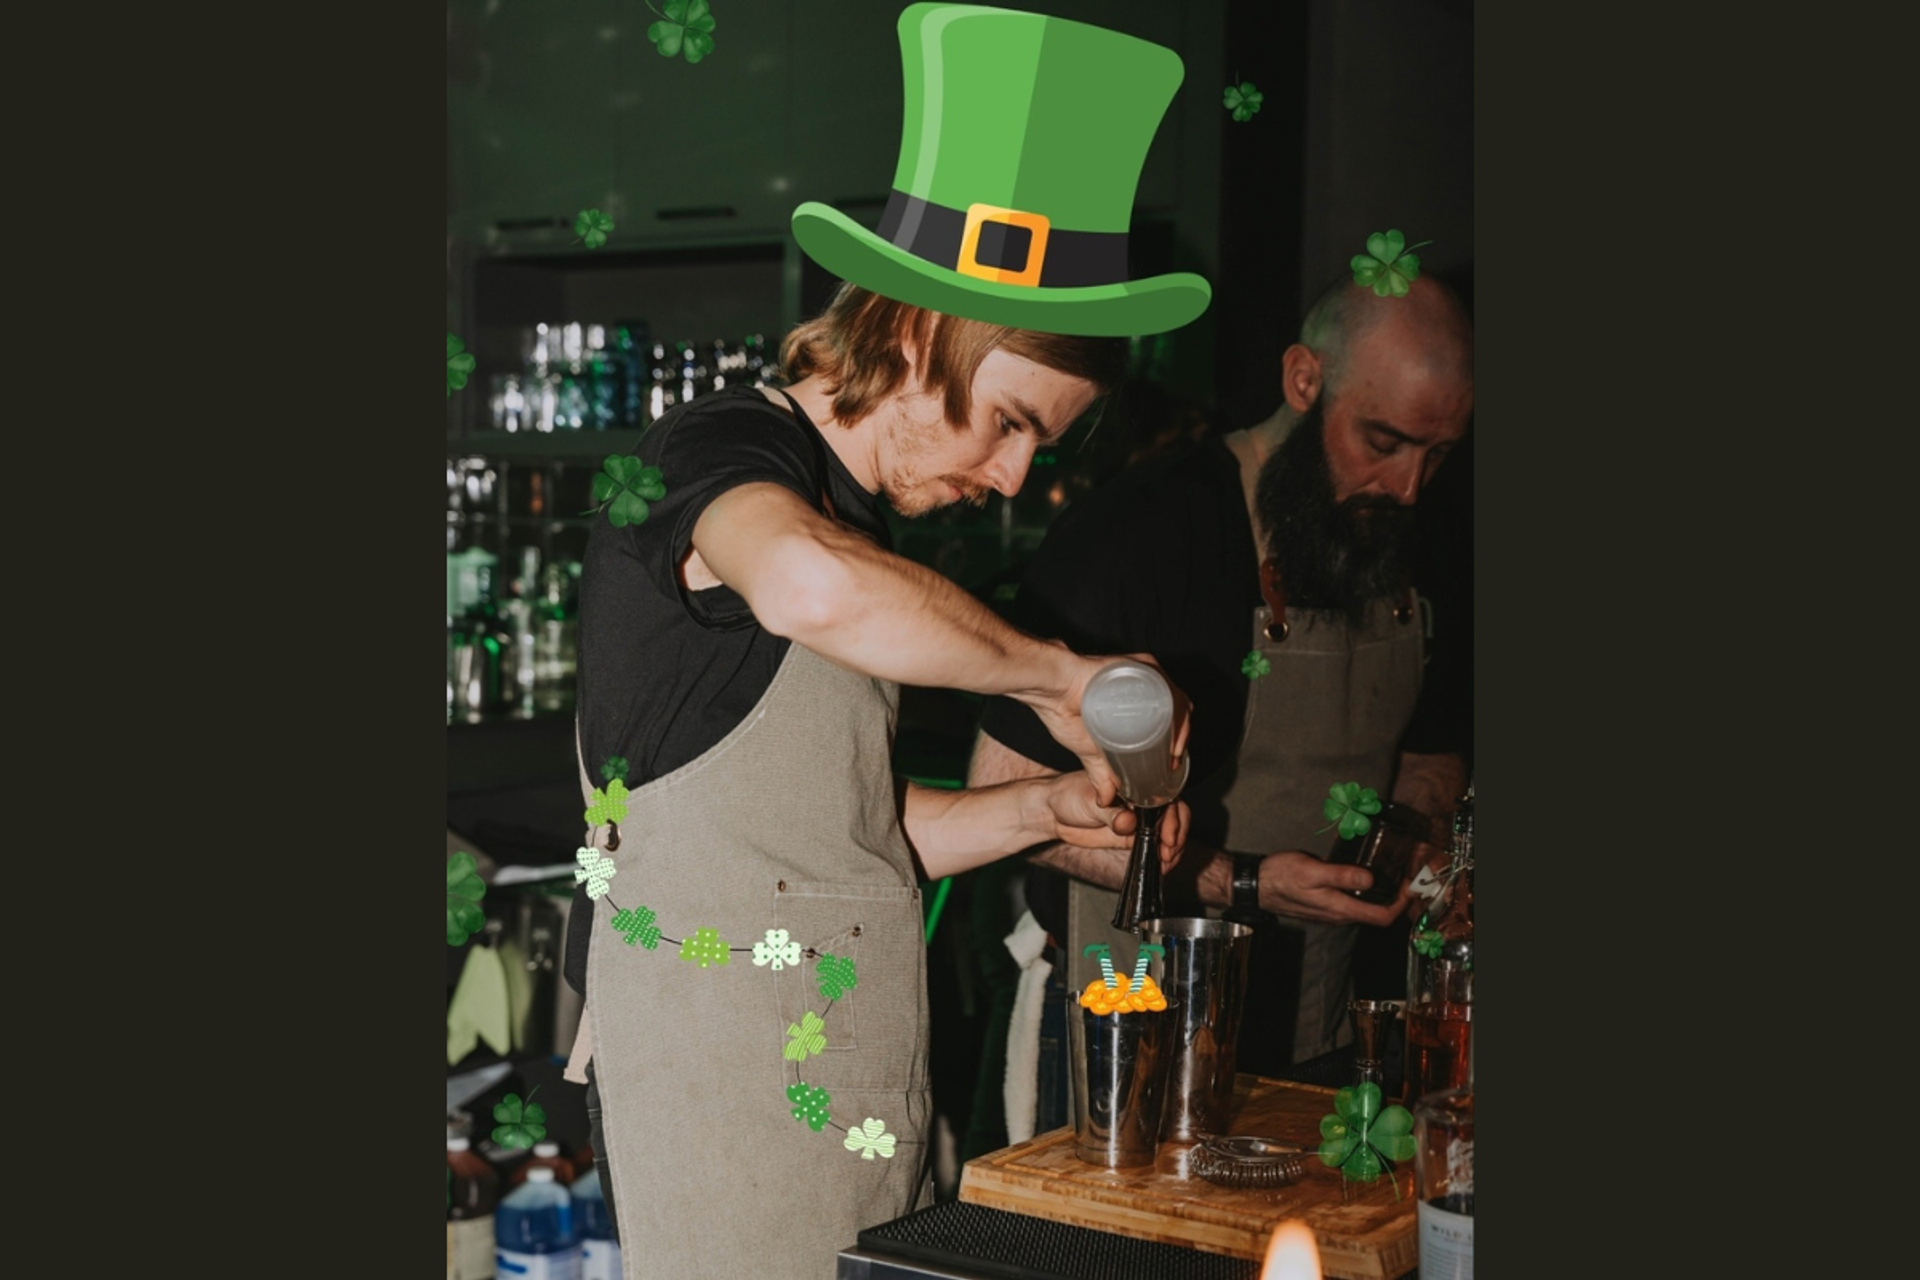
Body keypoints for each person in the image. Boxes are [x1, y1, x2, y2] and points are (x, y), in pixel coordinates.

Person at [555, 7, 1211, 1277]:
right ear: (918, 331)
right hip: (733, 1101)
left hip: (849, 1088)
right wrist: (1060, 678)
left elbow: (832, 841)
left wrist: (1043, 809)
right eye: (1011, 421)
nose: (1014, 477)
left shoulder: (862, 532)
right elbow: (805, 584)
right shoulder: (719, 453)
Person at [968, 268, 1474, 1094]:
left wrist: (1417, 840)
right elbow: (1007, 803)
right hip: (1126, 1027)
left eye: (1438, 453)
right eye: (1383, 443)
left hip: (1320, 1033)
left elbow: (1433, 745)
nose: (1408, 486)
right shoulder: (1140, 534)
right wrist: (1241, 881)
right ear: (1303, 380)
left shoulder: (1428, 539)